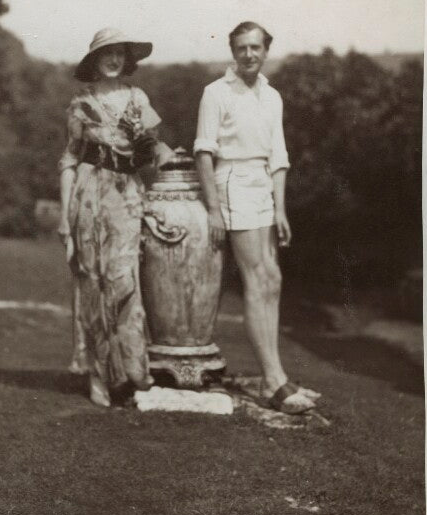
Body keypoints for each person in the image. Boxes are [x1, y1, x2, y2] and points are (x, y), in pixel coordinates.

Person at [194, 21, 320, 414]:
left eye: (256, 48)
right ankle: (272, 380)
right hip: (232, 183)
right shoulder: (216, 93)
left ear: (266, 51)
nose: (249, 54)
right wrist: (214, 208)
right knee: (256, 279)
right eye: (242, 48)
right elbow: (203, 152)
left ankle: (276, 375)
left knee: (273, 278)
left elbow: (278, 157)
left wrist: (280, 208)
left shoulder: (272, 96)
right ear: (233, 51)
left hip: (263, 186)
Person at [57, 27, 167, 407]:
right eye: (107, 53)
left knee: (124, 281)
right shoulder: (81, 104)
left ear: (128, 59)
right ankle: (100, 376)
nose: (114, 59)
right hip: (89, 196)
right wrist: (63, 217)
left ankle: (134, 372)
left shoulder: (138, 99)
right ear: (94, 59)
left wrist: (159, 159)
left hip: (126, 195)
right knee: (92, 283)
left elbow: (152, 150)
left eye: (120, 53)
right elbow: (70, 159)